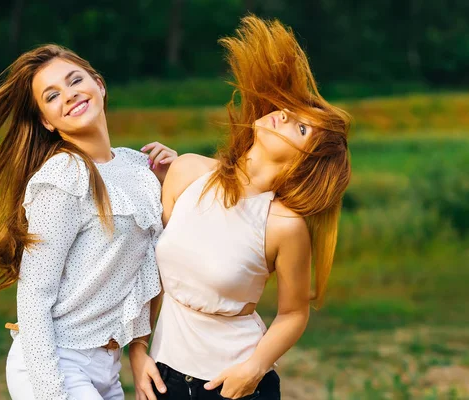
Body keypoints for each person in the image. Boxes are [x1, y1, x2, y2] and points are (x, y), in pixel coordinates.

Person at [0, 44, 176, 400]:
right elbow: (33, 297)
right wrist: (51, 391)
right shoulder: (63, 177)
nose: (69, 94)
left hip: (108, 366)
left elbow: (147, 268)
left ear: (100, 85)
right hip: (57, 361)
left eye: (75, 80)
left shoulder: (138, 167)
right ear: (46, 120)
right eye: (52, 95)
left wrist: (172, 179)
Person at [129, 16, 351, 400]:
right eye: (293, 111)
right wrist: (137, 350)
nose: (284, 114)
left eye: (300, 129)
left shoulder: (284, 226)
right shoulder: (186, 172)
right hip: (162, 375)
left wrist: (255, 368)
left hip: (238, 385)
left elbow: (293, 314)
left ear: (304, 164)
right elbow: (150, 274)